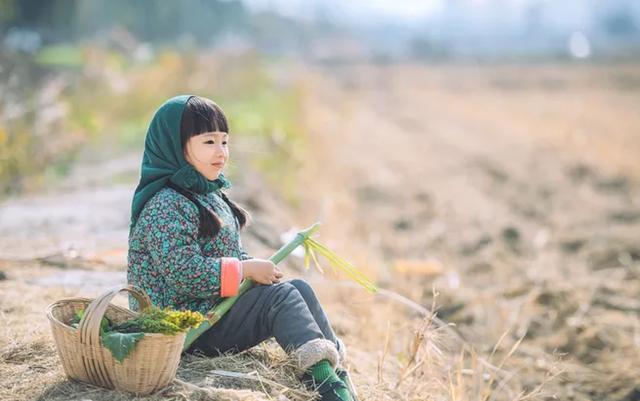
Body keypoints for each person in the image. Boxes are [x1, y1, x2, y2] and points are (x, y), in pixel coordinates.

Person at [127, 95, 356, 401]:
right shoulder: (165, 205)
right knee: (282, 299)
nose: (221, 152)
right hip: (184, 326)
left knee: (298, 288)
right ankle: (329, 390)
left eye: (225, 142)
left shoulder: (208, 194)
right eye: (209, 142)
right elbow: (183, 272)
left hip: (210, 310)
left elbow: (225, 254)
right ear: (175, 145)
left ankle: (338, 375)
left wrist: (252, 265)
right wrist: (245, 270)